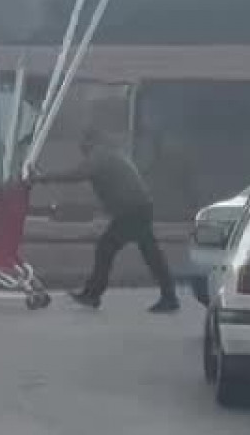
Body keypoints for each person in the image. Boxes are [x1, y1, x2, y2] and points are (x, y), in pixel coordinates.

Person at [31, 129, 180, 313]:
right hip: (137, 208)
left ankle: (93, 294)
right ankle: (169, 296)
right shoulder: (111, 154)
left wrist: (44, 178)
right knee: (149, 253)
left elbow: (78, 174)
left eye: (84, 145)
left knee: (107, 248)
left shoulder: (100, 155)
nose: (82, 150)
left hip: (132, 211)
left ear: (91, 143)